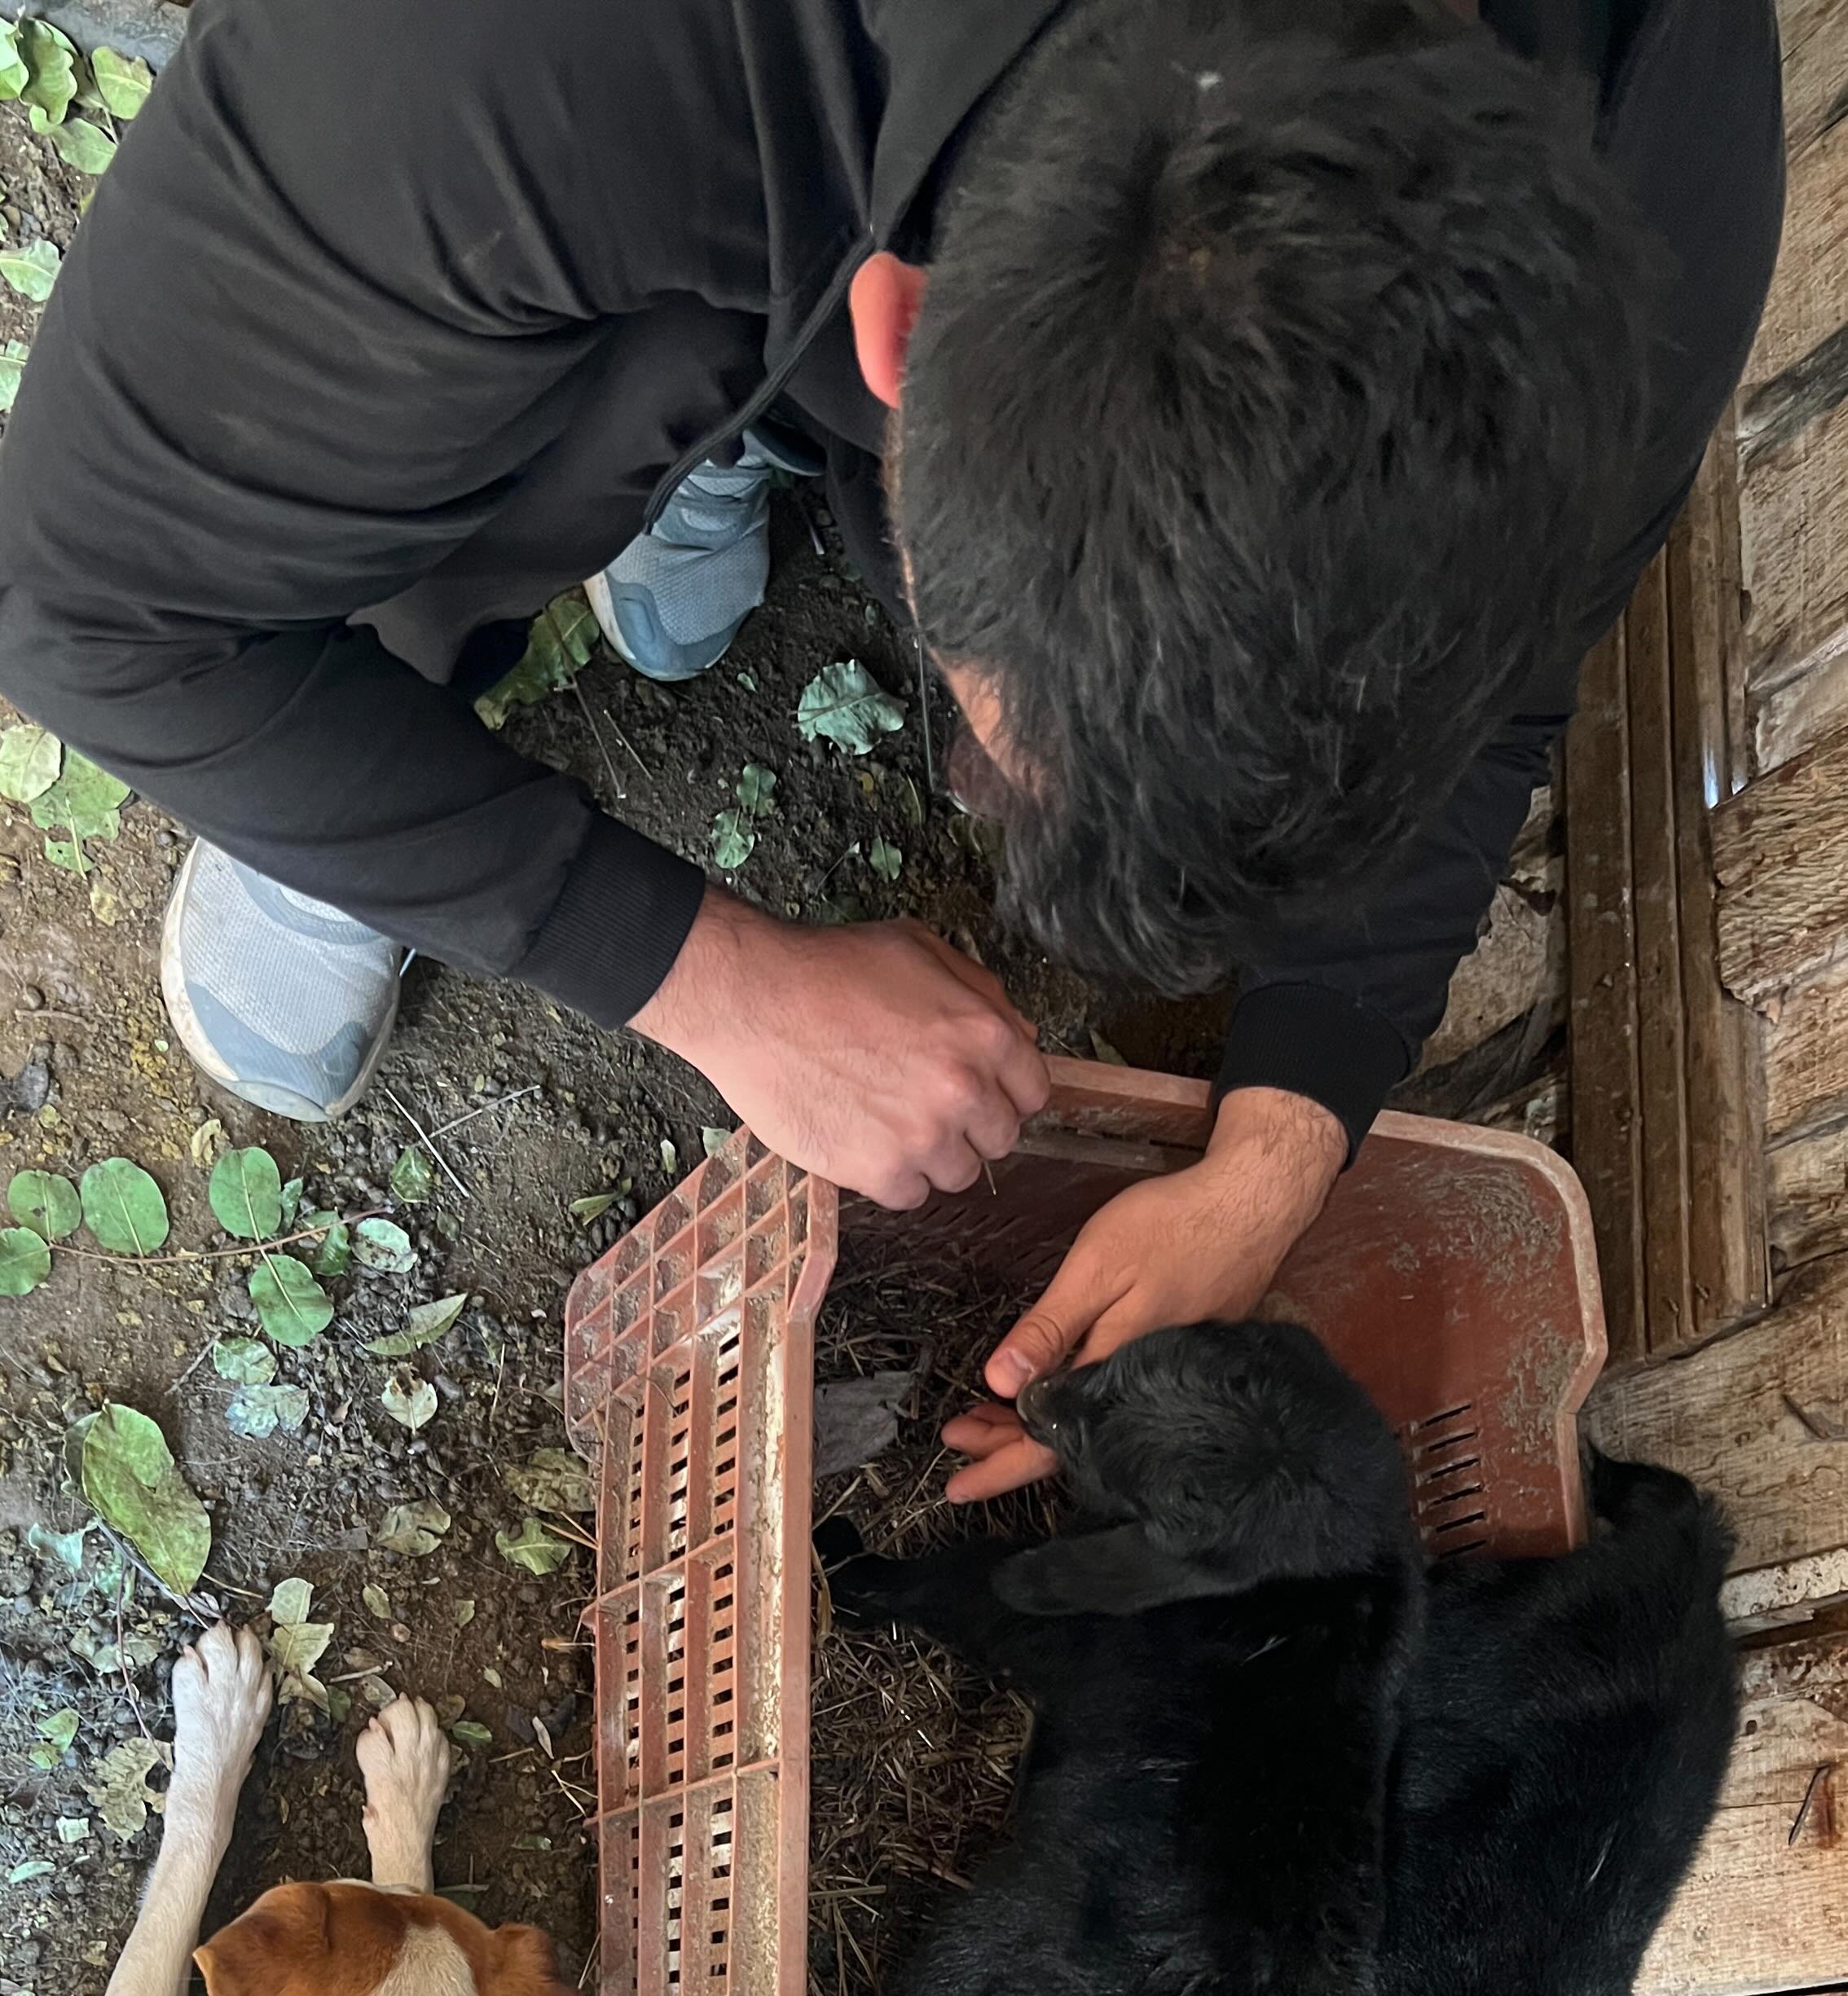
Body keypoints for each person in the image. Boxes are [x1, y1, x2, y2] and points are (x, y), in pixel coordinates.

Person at [0, 0, 1781, 1499]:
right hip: (636, 151)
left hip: (899, 199)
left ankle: (740, 443)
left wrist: (1280, 1148)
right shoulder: (495, 74)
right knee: (437, 473)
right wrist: (707, 980)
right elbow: (77, 614)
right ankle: (414, 666)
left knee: (714, 363)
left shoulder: (1643, 223)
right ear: (904, 326)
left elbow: (1491, 710)